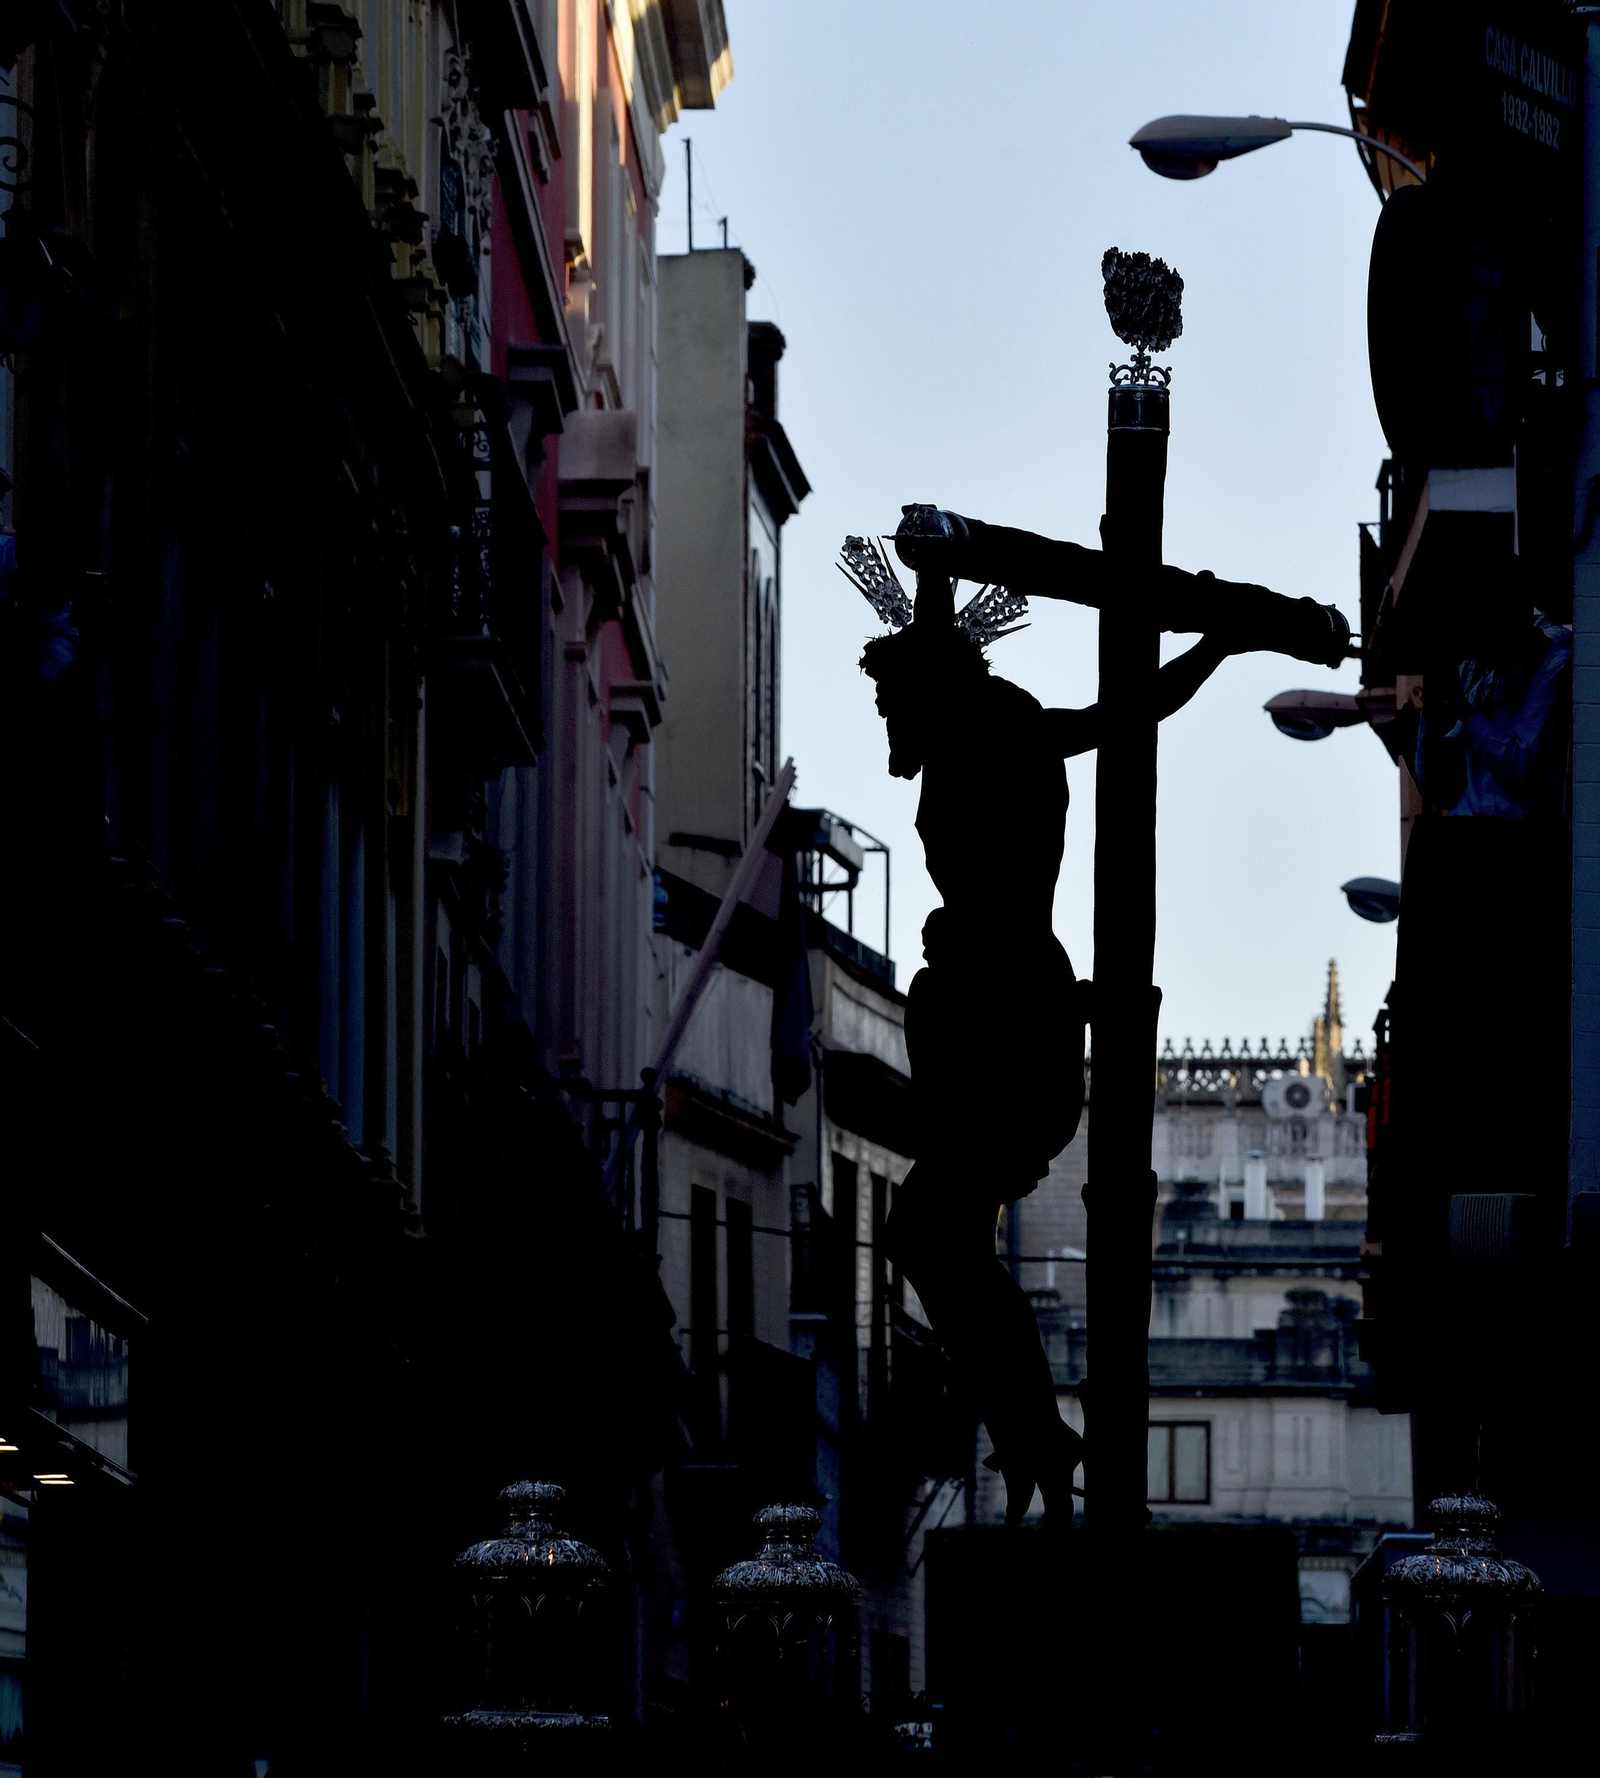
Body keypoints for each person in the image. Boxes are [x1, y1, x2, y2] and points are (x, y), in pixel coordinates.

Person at [852, 505, 1352, 1525]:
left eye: (891, 704)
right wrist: (940, 575)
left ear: (930, 696)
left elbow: (1127, 709)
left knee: (928, 1228)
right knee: (931, 1231)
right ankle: (1033, 1429)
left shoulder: (1001, 730)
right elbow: (955, 667)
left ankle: (1035, 1429)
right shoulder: (963, 733)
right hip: (987, 1024)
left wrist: (1216, 640)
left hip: (1012, 1027)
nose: (887, 726)